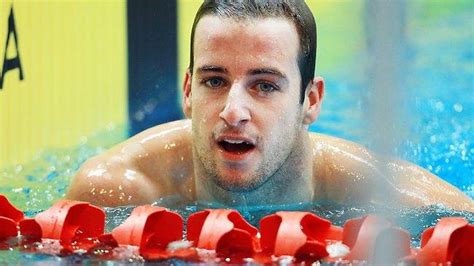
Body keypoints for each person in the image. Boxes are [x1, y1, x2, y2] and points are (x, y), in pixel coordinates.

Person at [66, 0, 474, 212]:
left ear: (310, 101)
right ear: (187, 92)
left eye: (264, 85)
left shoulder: (396, 200)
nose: (233, 111)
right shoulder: (116, 190)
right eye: (214, 81)